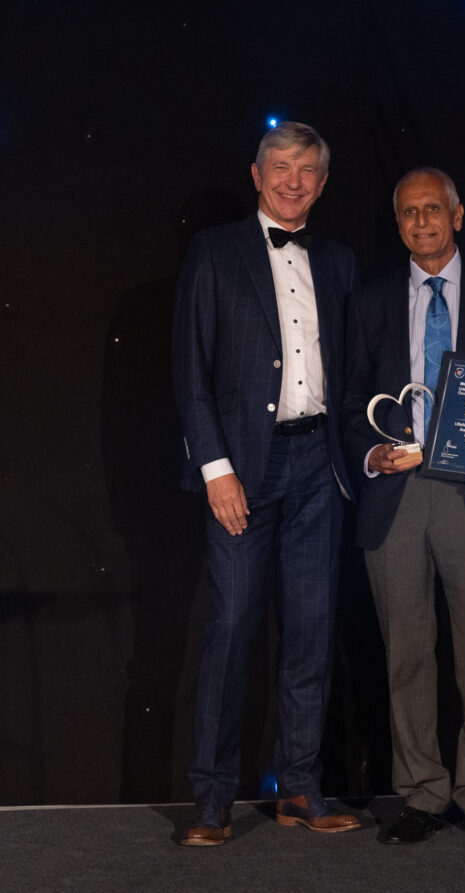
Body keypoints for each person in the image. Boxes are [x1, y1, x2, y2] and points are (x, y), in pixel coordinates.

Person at [343, 168, 465, 845]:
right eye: (408, 212)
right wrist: (371, 455)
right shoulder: (369, 302)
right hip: (395, 495)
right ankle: (422, 792)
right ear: (397, 223)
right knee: (406, 650)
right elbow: (351, 406)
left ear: (458, 215)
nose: (421, 221)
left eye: (433, 208)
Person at [173, 122, 359, 845]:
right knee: (231, 628)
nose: (292, 179)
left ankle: (300, 786)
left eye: (306, 170)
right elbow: (191, 372)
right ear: (256, 174)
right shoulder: (214, 252)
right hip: (243, 471)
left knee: (311, 633)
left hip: (320, 466)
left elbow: (350, 377)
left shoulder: (339, 260)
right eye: (280, 166)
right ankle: (213, 797)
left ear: (321, 181)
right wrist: (215, 469)